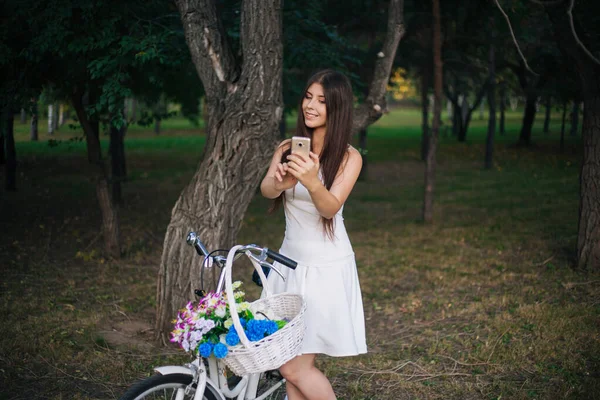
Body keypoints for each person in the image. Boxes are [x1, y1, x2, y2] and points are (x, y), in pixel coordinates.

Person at [260, 69, 367, 400]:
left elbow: (330, 208)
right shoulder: (288, 147)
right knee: (288, 367)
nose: (311, 105)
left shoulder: (349, 157)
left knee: (294, 368)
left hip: (325, 269)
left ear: (337, 107)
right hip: (289, 262)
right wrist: (280, 183)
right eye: (308, 97)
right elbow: (266, 190)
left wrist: (311, 180)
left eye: (321, 100)